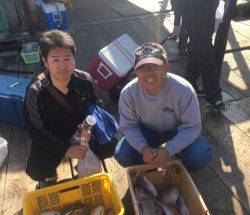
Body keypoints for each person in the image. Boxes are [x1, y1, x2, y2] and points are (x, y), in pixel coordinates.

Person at [24, 30, 118, 187]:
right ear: (45, 62)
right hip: (53, 137)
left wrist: (89, 131)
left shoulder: (84, 80)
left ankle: (83, 165)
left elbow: (96, 108)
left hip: (81, 133)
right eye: (55, 60)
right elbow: (34, 130)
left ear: (74, 59)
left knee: (112, 145)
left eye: (67, 58)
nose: (62, 65)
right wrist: (65, 149)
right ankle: (50, 176)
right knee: (37, 169)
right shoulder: (35, 90)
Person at [114, 43, 212, 171]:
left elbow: (192, 127)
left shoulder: (184, 90)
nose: (148, 72)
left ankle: (177, 160)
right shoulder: (128, 93)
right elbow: (129, 126)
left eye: (153, 66)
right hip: (146, 130)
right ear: (135, 71)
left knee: (200, 156)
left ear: (165, 66)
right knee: (123, 155)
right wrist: (143, 149)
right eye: (142, 68)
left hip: (177, 129)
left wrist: (168, 150)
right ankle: (150, 161)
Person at [180, 0, 225, 111]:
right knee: (207, 59)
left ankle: (189, 82)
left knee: (196, 51)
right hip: (195, 21)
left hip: (207, 20)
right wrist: (177, 23)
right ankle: (214, 96)